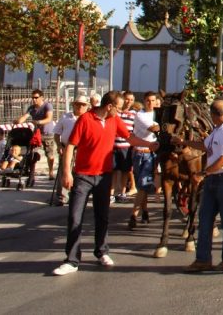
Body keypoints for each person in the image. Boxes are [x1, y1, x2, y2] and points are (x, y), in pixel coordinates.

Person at [52, 91, 158, 276]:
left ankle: (101, 252)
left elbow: (129, 137)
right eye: (119, 107)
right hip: (83, 176)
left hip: (104, 176)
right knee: (75, 217)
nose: (121, 111)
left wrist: (149, 145)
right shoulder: (85, 119)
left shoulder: (114, 120)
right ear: (109, 106)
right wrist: (67, 173)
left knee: (102, 216)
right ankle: (72, 260)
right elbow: (70, 146)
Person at [183, 99, 223, 272]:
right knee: (205, 218)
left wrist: (202, 174)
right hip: (214, 177)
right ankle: (203, 259)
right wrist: (183, 142)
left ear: (213, 114)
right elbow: (205, 146)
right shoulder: (218, 129)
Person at [129, 92, 160, 228]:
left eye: (153, 100)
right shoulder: (140, 115)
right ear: (144, 101)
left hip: (151, 154)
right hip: (139, 153)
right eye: (148, 100)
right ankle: (143, 211)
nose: (150, 103)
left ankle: (135, 215)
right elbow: (153, 128)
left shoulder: (157, 114)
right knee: (142, 186)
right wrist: (165, 125)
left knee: (143, 185)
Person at [54, 94, 90, 205]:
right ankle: (62, 196)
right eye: (78, 104)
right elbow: (57, 133)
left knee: (80, 173)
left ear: (87, 106)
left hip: (82, 149)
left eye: (83, 105)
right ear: (73, 105)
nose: (80, 107)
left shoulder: (89, 118)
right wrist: (59, 146)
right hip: (66, 147)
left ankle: (77, 195)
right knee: (64, 172)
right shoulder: (65, 117)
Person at [14, 88, 52, 183]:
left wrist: (38, 122)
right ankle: (31, 173)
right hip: (36, 134)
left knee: (50, 155)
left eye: (36, 97)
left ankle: (51, 172)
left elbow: (49, 118)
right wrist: (18, 121)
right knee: (32, 154)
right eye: (33, 98)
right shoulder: (31, 108)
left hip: (48, 133)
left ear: (41, 97)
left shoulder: (47, 106)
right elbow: (25, 116)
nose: (34, 99)